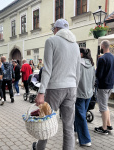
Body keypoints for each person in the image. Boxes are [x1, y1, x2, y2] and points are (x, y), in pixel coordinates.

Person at [32, 19, 80, 150]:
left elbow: (47, 69)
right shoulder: (75, 45)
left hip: (55, 88)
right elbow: (78, 71)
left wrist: (41, 93)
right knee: (69, 127)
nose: (53, 31)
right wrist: (74, 88)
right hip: (71, 88)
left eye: (53, 29)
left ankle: (39, 148)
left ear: (56, 29)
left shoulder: (51, 41)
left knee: (45, 122)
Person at [94, 40, 114, 135]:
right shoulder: (113, 58)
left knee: (103, 107)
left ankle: (104, 128)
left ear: (102, 46)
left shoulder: (102, 59)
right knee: (105, 105)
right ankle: (108, 124)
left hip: (103, 86)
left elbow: (99, 75)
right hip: (110, 84)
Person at [75, 48, 95, 147]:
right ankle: (76, 130)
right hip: (89, 94)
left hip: (79, 94)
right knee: (81, 114)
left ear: (81, 54)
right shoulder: (91, 64)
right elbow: (93, 80)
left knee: (81, 116)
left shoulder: (78, 64)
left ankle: (85, 139)